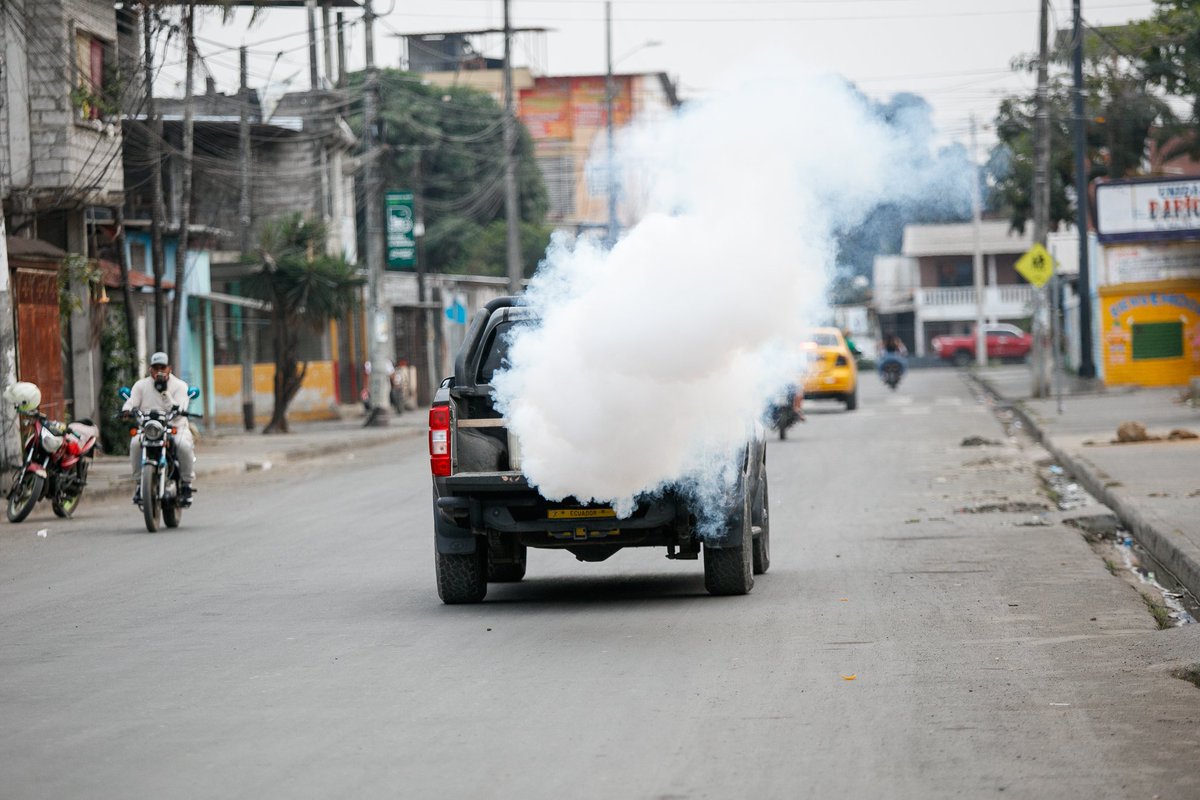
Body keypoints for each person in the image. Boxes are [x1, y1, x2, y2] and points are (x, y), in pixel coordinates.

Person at [123, 351, 195, 504]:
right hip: (149, 429)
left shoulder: (180, 386)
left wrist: (164, 392)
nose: (159, 371)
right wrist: (126, 409)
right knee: (136, 443)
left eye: (162, 367)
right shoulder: (141, 385)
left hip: (175, 428)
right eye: (156, 368)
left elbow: (180, 409)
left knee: (183, 445)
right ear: (150, 369)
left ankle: (187, 484)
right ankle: (139, 484)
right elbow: (131, 401)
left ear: (169, 368)